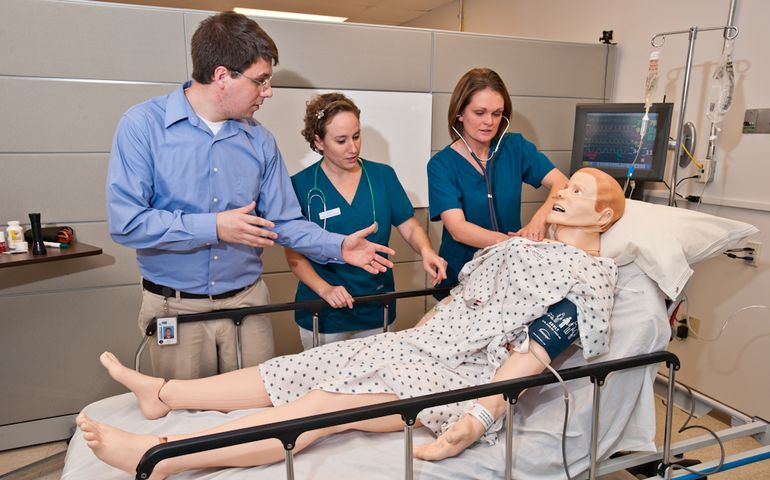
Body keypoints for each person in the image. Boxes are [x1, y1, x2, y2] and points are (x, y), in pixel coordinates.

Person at [78, 168, 625, 478]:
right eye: (565, 184)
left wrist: (478, 420)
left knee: (322, 406)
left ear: (603, 217)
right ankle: (165, 392)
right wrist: (421, 338)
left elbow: (532, 354)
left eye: (578, 191)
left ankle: (161, 454)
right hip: (424, 345)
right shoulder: (523, 251)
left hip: (465, 378)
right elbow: (462, 306)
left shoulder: (589, 278)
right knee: (309, 362)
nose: (562, 193)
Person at [106, 11, 394, 380]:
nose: (268, 92)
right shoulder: (142, 127)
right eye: (261, 81)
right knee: (187, 421)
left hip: (248, 304)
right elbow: (126, 223)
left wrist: (339, 247)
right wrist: (214, 227)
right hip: (175, 309)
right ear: (222, 75)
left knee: (258, 415)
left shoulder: (260, 141)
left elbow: (286, 222)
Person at [285, 93, 447, 349]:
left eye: (356, 136)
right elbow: (295, 256)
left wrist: (426, 251)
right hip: (323, 312)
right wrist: (325, 289)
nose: (353, 148)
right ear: (318, 141)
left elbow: (409, 224)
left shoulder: (382, 176)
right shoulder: (301, 186)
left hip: (375, 307)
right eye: (341, 140)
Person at [427, 67, 570, 292]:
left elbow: (562, 182)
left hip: (510, 274)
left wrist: (538, 220)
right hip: (463, 278)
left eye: (496, 113)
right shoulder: (442, 165)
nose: (489, 122)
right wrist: (512, 243)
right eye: (480, 112)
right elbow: (458, 229)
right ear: (460, 114)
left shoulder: (515, 147)